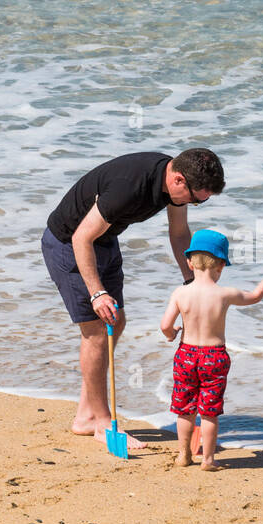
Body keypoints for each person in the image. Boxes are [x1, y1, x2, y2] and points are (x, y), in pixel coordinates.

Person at [42, 148, 225, 447]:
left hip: (104, 241)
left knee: (117, 322)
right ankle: (102, 424)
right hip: (69, 243)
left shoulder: (175, 182)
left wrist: (193, 281)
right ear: (179, 180)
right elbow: (80, 238)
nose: (194, 203)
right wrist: (97, 293)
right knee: (97, 332)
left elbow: (179, 234)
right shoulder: (130, 187)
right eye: (195, 199)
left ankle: (86, 414)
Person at [159, 229, 263, 470]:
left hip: (186, 354)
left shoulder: (181, 293)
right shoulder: (225, 294)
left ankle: (184, 455)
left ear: (189, 262)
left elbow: (164, 325)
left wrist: (173, 333)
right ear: (221, 265)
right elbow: (255, 296)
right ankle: (208, 459)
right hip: (214, 357)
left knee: (184, 409)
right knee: (209, 411)